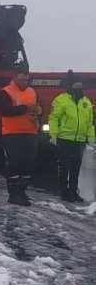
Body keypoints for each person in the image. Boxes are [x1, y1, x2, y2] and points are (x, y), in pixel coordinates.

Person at [0, 65, 41, 206]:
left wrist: (39, 111)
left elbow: (39, 107)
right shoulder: (6, 92)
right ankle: (14, 194)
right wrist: (26, 108)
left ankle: (22, 192)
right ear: (15, 77)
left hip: (30, 132)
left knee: (29, 163)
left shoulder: (32, 92)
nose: (25, 82)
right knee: (15, 163)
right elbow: (5, 111)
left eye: (27, 79)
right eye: (22, 79)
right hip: (13, 133)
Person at [48, 71, 95, 202]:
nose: (79, 87)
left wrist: (91, 137)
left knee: (76, 167)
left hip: (79, 141)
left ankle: (73, 192)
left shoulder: (86, 102)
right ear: (70, 86)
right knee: (64, 167)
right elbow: (53, 118)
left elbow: (90, 122)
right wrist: (53, 134)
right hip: (65, 139)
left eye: (81, 85)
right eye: (76, 85)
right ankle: (64, 192)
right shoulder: (61, 99)